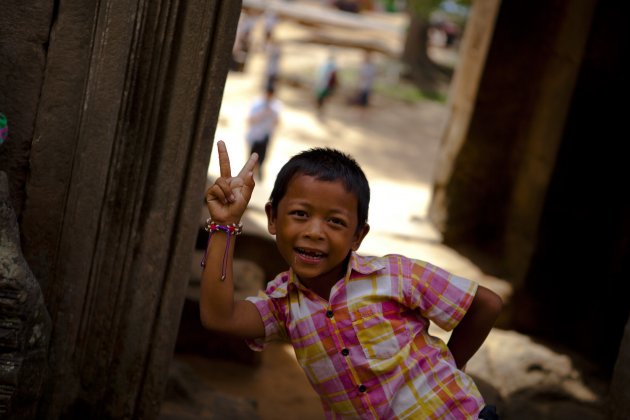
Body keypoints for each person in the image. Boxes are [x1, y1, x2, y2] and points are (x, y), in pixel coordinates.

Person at [201, 142, 503, 419]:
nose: (315, 232)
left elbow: (486, 304)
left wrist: (449, 365)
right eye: (300, 214)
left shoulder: (396, 276)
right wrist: (225, 224)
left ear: (358, 235)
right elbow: (220, 316)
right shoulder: (283, 307)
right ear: (272, 219)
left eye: (335, 221)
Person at [244, 86, 281, 180]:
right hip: (255, 135)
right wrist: (263, 114)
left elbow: (277, 122)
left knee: (262, 156)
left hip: (265, 135)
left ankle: (259, 171)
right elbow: (250, 119)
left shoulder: (276, 106)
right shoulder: (257, 104)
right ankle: (249, 174)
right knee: (252, 156)